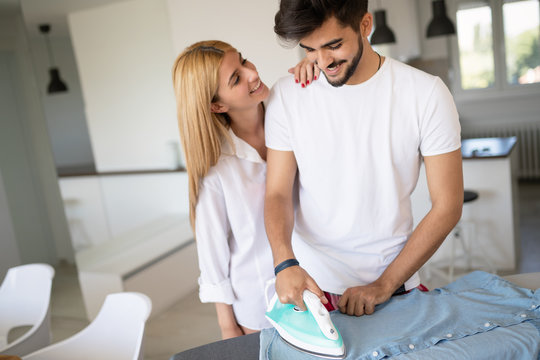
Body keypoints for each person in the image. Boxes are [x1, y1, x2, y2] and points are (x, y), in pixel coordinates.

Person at [264, 0, 464, 317]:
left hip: (394, 285)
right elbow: (277, 193)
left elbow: (448, 205)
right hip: (311, 286)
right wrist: (284, 262)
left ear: (365, 25)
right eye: (310, 49)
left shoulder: (426, 94)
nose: (323, 61)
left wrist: (384, 285)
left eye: (333, 45)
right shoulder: (287, 95)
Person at [171, 40, 315, 338]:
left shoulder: (290, 111)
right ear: (217, 105)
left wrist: (316, 69)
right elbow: (213, 257)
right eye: (236, 78)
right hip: (259, 305)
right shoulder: (217, 172)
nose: (252, 73)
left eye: (244, 61)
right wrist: (227, 326)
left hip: (319, 280)